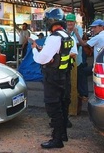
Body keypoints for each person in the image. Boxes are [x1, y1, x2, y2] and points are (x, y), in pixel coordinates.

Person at [31, 20, 77, 149]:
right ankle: (63, 135)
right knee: (62, 105)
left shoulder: (53, 37)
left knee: (53, 107)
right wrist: (44, 51)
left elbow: (41, 59)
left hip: (53, 77)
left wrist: (35, 50)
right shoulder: (67, 36)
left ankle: (57, 140)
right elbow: (61, 54)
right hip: (63, 76)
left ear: (50, 25)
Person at [66, 13, 89, 110]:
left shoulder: (78, 29)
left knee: (79, 78)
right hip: (67, 59)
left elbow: (81, 43)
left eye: (71, 21)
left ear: (74, 22)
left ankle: (82, 97)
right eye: (68, 21)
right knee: (70, 80)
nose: (69, 23)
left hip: (77, 59)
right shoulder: (65, 30)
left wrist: (75, 33)